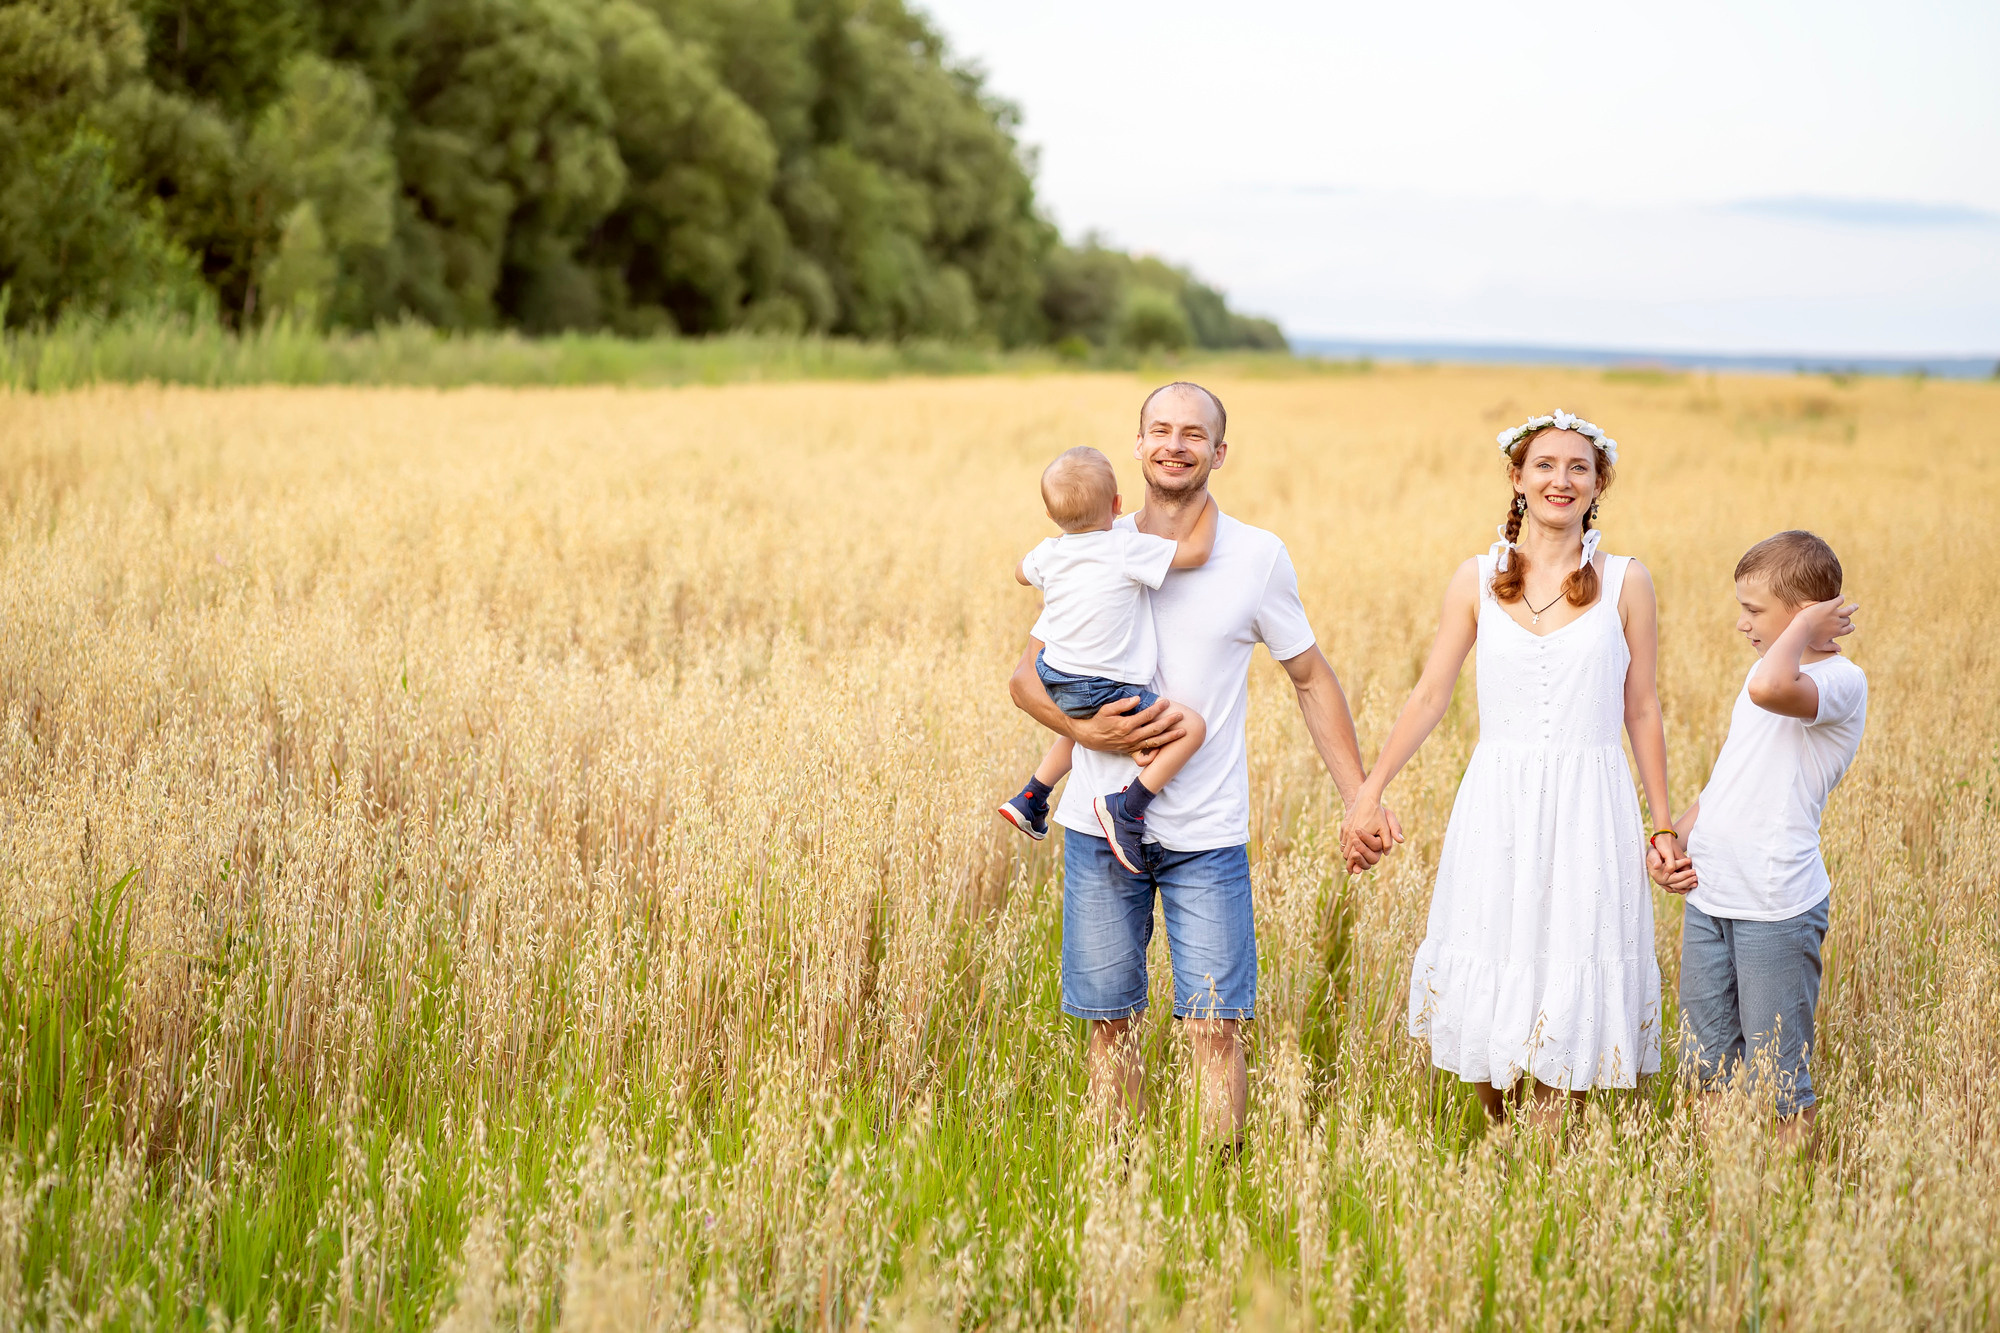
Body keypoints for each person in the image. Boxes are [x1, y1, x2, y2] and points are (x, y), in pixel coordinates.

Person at [1007, 381, 1396, 1140]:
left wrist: (1360, 798)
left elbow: (1310, 677)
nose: (1175, 443)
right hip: (1097, 828)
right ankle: (1117, 1189)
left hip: (1207, 836)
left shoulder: (1255, 556)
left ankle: (1212, 1180)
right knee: (1108, 1027)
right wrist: (1087, 735)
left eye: (1193, 433)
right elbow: (1026, 680)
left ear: (1218, 452)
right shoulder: (1093, 545)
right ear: (1138, 446)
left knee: (1215, 1027)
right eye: (1160, 429)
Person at [1341, 410, 1676, 1130]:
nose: (1562, 479)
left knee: (1573, 959)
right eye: (1546, 465)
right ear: (1518, 479)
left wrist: (1664, 822)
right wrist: (1371, 789)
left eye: (1578, 467)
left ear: (1598, 485)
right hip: (1497, 802)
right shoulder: (1477, 577)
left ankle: (1547, 1159)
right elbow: (1431, 692)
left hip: (1592, 804)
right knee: (1493, 953)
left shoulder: (1626, 582)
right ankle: (1501, 1133)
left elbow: (1642, 707)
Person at [1647, 530, 1863, 1152]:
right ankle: (1724, 1193)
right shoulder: (1760, 673)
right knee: (1703, 1068)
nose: (1742, 625)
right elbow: (1730, 780)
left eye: (1752, 611)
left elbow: (1775, 688)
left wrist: (1805, 627)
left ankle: (1783, 1206)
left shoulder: (1843, 683)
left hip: (1775, 905)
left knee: (1776, 1080)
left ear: (1801, 616)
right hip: (1712, 897)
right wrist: (1673, 836)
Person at [997, 445, 1216, 874]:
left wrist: (1051, 553)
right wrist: (1206, 505)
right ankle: (1128, 807)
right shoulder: (1123, 546)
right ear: (1117, 506)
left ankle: (1032, 795)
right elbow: (1197, 554)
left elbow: (1021, 572)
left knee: (1082, 724)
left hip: (1055, 677)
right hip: (1102, 685)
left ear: (1050, 516)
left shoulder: (1050, 551)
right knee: (1192, 728)